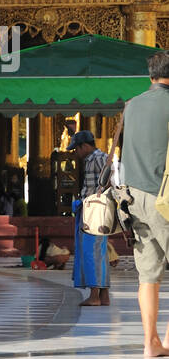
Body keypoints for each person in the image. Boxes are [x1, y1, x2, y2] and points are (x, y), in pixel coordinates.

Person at [119, 50, 169, 356]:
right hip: (164, 197)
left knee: (148, 274)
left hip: (133, 198)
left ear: (151, 76)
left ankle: (150, 341)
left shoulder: (131, 105)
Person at [68, 129, 110, 306]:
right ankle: (104, 295)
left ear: (84, 146)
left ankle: (94, 296)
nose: (76, 154)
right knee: (99, 251)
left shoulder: (98, 158)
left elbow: (111, 179)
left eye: (77, 149)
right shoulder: (92, 159)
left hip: (95, 211)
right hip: (93, 209)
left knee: (90, 252)